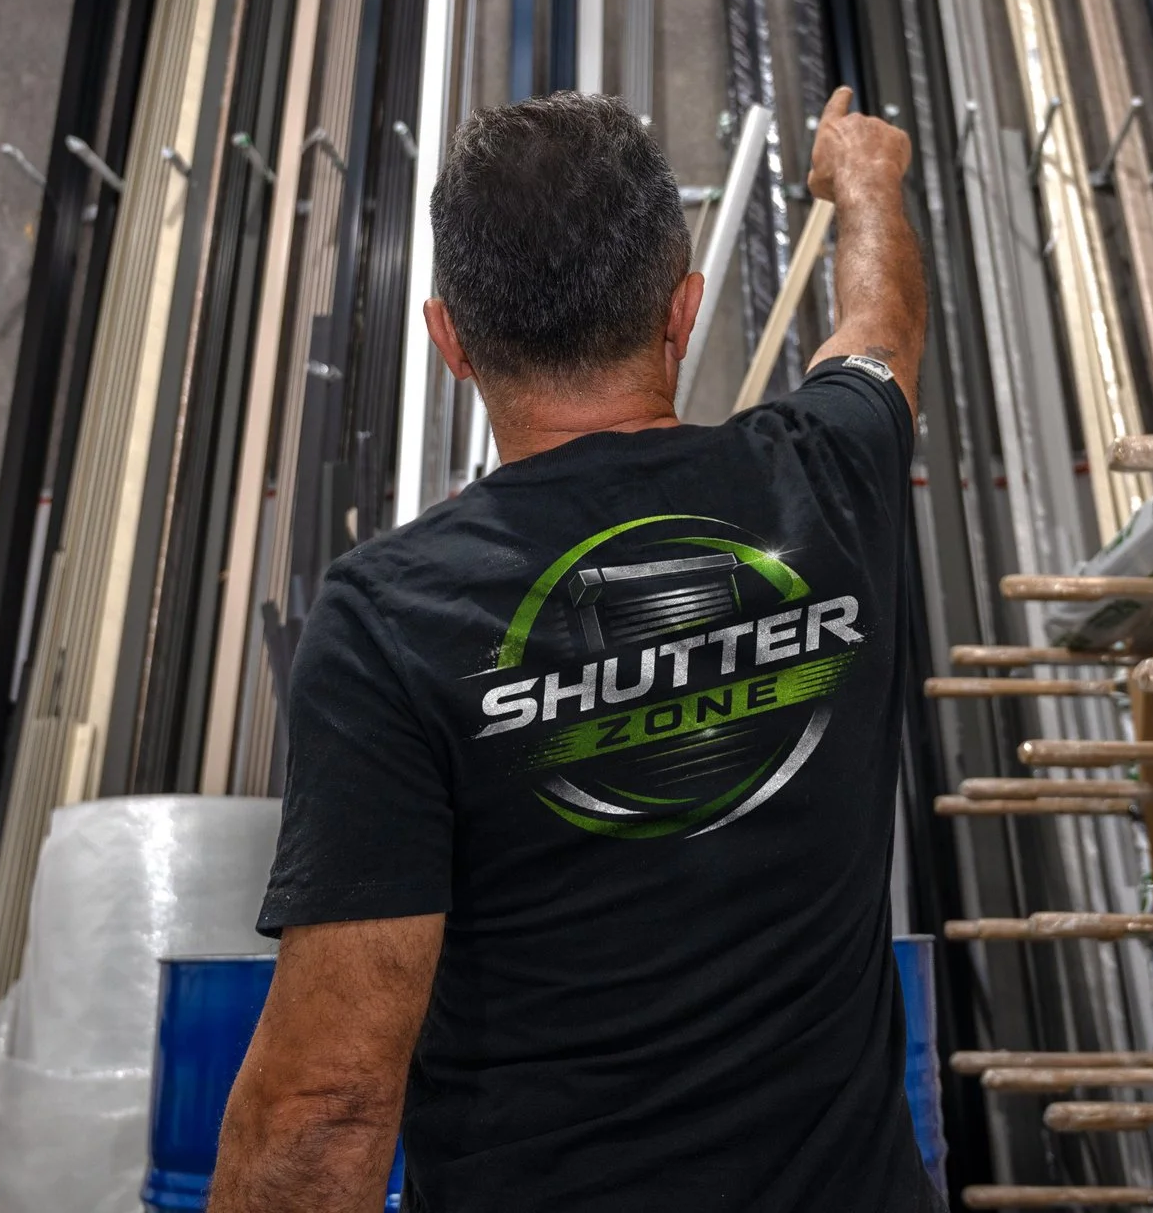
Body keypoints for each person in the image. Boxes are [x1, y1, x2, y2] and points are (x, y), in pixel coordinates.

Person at [210, 86, 936, 1211]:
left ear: (449, 340)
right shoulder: (831, 477)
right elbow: (881, 332)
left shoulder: (389, 621)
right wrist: (865, 180)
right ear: (683, 309)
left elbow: (328, 1106)